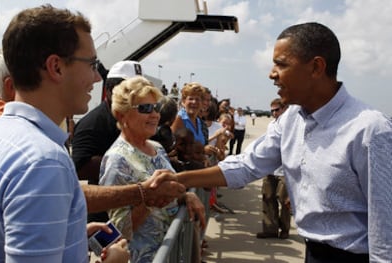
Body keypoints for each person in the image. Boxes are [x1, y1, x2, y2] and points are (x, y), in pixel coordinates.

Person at [153, 22, 392, 262]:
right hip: (313, 252)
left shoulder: (370, 130)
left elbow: (386, 229)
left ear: (316, 67)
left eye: (281, 64)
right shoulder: (291, 120)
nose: (272, 73)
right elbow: (247, 166)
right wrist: (179, 179)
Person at [0, 5, 127, 262]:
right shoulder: (43, 161)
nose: (96, 77)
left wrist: (69, 235)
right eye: (92, 64)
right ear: (56, 67)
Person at [99, 76, 206, 262]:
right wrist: (149, 200)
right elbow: (118, 230)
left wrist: (185, 195)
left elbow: (170, 190)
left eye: (156, 107)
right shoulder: (117, 160)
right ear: (121, 115)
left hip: (174, 252)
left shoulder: (157, 148)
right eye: (145, 108)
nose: (155, 114)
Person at [72, 60, 144, 222]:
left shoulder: (135, 119)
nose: (137, 96)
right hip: (104, 219)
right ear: (111, 91)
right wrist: (127, 162)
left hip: (133, 214)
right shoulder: (92, 123)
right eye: (130, 90)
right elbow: (79, 166)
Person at [256, 98, 291, 239]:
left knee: (284, 200)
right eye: (272, 111)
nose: (274, 113)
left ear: (284, 109)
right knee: (267, 198)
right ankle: (270, 228)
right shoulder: (271, 125)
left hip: (285, 170)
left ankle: (285, 229)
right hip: (270, 168)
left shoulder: (292, 125)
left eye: (277, 110)